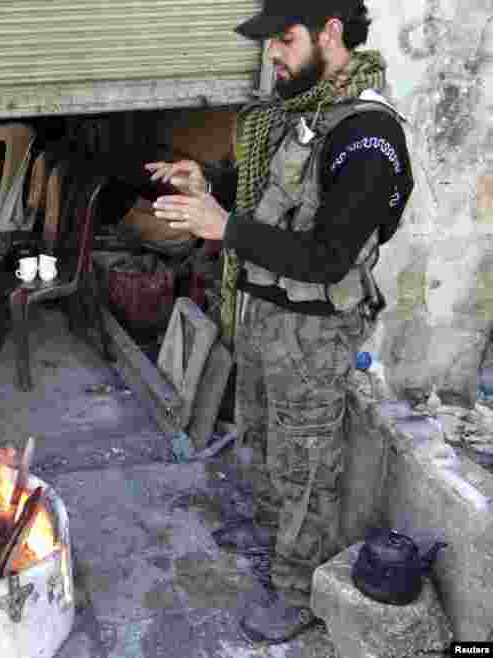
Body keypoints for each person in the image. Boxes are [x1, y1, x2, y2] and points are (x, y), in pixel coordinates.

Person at [147, 0, 414, 644]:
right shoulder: (308, 113)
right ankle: (268, 535)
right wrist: (210, 183)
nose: (272, 53)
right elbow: (279, 196)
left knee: (308, 465)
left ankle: (300, 593)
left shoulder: (367, 135)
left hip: (316, 329)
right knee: (263, 438)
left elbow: (327, 256)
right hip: (269, 314)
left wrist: (224, 228)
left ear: (330, 33)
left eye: (283, 39)